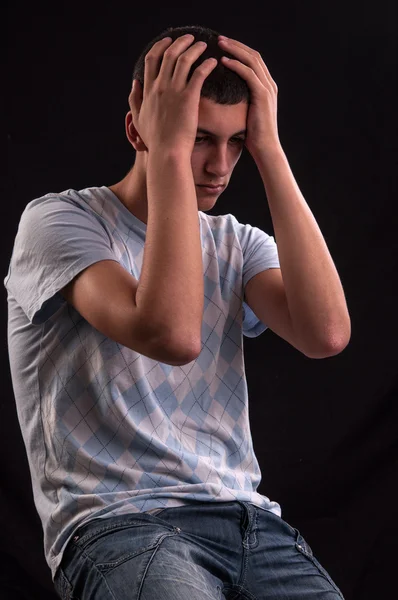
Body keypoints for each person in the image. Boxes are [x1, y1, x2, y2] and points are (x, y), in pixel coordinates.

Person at [4, 24, 350, 600]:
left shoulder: (235, 244)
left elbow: (327, 333)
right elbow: (171, 332)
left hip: (251, 527)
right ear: (138, 127)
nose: (219, 165)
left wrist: (271, 150)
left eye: (236, 142)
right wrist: (165, 150)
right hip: (118, 525)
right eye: (197, 137)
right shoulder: (59, 224)